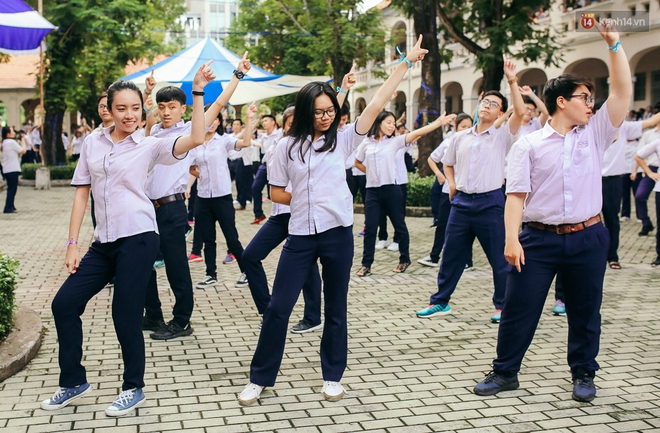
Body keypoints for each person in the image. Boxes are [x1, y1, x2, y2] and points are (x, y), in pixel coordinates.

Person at [237, 37, 429, 406]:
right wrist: (310, 197)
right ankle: (260, 378)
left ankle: (332, 376)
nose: (326, 117)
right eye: (320, 111)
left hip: (338, 236)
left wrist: (405, 64)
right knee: (278, 308)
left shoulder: (342, 140)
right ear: (307, 110)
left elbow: (375, 104)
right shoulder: (284, 148)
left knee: (335, 307)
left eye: (330, 111)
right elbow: (276, 193)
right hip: (300, 237)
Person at [39, 61, 215, 416]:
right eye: (121, 108)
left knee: (125, 313)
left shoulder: (150, 145)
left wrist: (198, 91)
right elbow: (81, 194)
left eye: (136, 108)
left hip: (139, 237)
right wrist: (72, 243)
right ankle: (72, 381)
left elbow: (196, 137)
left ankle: (133, 387)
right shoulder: (92, 142)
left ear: (142, 108)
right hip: (103, 242)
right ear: (109, 108)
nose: (129, 114)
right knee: (64, 304)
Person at [473, 23, 631, 403]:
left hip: (589, 236)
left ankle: (584, 374)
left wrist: (614, 45)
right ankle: (505, 372)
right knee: (518, 308)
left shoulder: (595, 133)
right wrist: (512, 239)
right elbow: (515, 196)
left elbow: (623, 91)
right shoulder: (529, 145)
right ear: (561, 101)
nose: (591, 104)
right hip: (538, 239)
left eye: (592, 98)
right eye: (584, 97)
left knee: (585, 311)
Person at [415, 58, 525, 323]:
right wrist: (451, 184)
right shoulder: (460, 137)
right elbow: (447, 162)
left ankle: (502, 305)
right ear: (478, 106)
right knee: (451, 255)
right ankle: (440, 301)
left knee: (499, 259)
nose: (487, 106)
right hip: (461, 203)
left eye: (494, 104)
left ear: (501, 114)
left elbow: (520, 114)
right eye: (484, 101)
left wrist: (512, 81)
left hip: (491, 203)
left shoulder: (503, 136)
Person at [242, 106, 323, 333]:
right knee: (249, 257)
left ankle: (313, 317)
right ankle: (268, 310)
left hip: (301, 215)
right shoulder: (276, 147)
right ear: (283, 125)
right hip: (279, 216)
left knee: (308, 267)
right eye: (290, 123)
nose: (294, 127)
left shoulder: (315, 148)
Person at [355, 111, 456, 276]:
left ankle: (404, 259)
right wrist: (371, 173)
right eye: (388, 122)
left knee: (399, 226)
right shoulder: (367, 142)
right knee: (371, 228)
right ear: (379, 122)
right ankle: (366, 265)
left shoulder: (395, 142)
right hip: (372, 191)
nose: (391, 126)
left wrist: (438, 123)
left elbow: (417, 133)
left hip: (392, 189)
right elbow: (357, 162)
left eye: (393, 124)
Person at [186, 101, 255, 290]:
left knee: (231, 237)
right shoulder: (195, 143)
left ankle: (246, 272)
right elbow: (191, 167)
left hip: (222, 196)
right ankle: (211, 275)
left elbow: (246, 142)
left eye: (215, 119)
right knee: (208, 239)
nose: (212, 122)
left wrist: (249, 119)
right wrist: (202, 176)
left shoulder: (224, 141)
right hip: (203, 197)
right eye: (209, 119)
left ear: (218, 122)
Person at [602, 111, 660, 269]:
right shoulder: (594, 126)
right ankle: (593, 257)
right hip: (591, 179)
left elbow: (651, 121)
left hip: (613, 180)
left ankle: (612, 257)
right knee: (589, 221)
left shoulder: (625, 127)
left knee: (612, 219)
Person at [418, 113, 473, 267]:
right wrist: (439, 175)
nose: (466, 130)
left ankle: (467, 261)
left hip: (465, 191)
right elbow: (431, 158)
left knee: (466, 228)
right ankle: (434, 257)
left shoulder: (474, 143)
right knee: (443, 225)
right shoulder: (448, 142)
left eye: (469, 127)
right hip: (448, 191)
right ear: (455, 127)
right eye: (463, 126)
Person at [251, 114, 281, 225]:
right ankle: (258, 214)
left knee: (275, 192)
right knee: (255, 187)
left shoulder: (280, 134)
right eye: (263, 121)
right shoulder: (263, 136)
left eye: (266, 120)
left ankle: (279, 216)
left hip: (277, 166)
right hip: (264, 165)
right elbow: (264, 151)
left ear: (273, 122)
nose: (264, 123)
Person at [1, 126, 26, 214]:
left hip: (8, 168)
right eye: (12, 131)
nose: (14, 132)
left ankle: (11, 205)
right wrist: (23, 140)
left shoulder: (5, 142)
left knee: (11, 188)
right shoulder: (11, 142)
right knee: (12, 189)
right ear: (8, 134)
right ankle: (8, 207)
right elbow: (23, 151)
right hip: (12, 169)